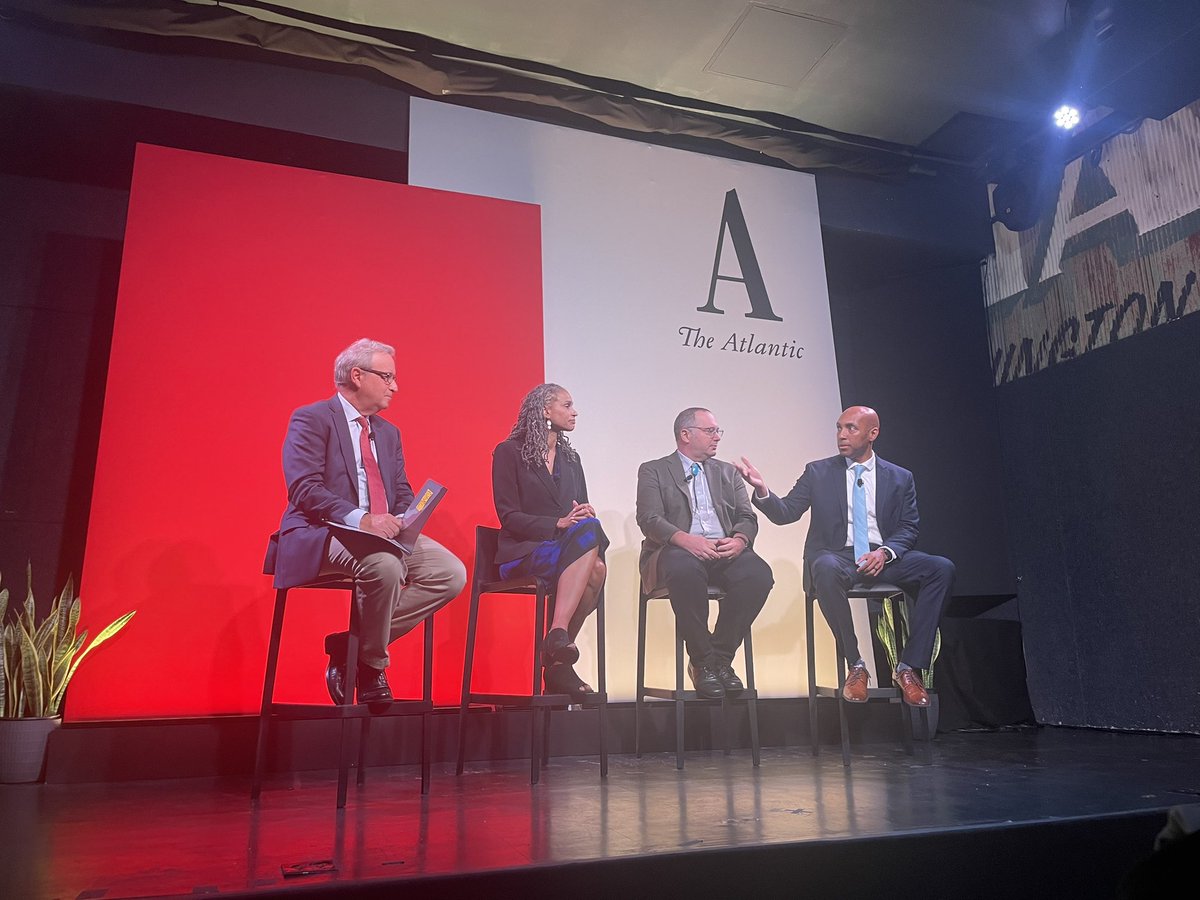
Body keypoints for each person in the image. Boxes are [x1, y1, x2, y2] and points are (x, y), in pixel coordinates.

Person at [266, 338, 467, 705]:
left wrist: (406, 516)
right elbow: (303, 488)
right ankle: (372, 663)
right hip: (323, 529)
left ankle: (352, 646)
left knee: (451, 573)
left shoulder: (388, 433)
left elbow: (401, 490)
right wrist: (362, 520)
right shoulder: (312, 418)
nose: (395, 386)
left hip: (382, 533)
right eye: (387, 376)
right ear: (356, 376)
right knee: (384, 566)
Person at [736, 405, 953, 707]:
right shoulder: (819, 472)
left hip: (883, 559)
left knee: (940, 568)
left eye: (850, 428)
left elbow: (908, 527)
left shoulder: (900, 478)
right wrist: (762, 490)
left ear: (872, 433)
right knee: (822, 565)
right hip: (839, 559)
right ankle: (857, 665)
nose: (841, 435)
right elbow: (786, 513)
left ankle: (908, 668)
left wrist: (886, 552)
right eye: (839, 428)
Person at [635, 407, 774, 699]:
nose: (717, 438)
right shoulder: (654, 469)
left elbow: (747, 517)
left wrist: (739, 540)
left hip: (723, 550)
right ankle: (702, 660)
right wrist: (686, 540)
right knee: (685, 569)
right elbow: (649, 518)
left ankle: (718, 661)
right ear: (685, 435)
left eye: (717, 431)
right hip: (675, 550)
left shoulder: (726, 472)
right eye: (710, 431)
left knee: (758, 575)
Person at [492, 384, 608, 703]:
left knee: (595, 559)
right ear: (545, 411)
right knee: (594, 567)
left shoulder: (571, 458)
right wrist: (556, 523)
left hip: (564, 551)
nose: (575, 412)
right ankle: (557, 643)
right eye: (567, 405)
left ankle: (557, 649)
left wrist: (583, 512)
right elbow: (508, 516)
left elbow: (578, 507)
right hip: (524, 553)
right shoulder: (508, 452)